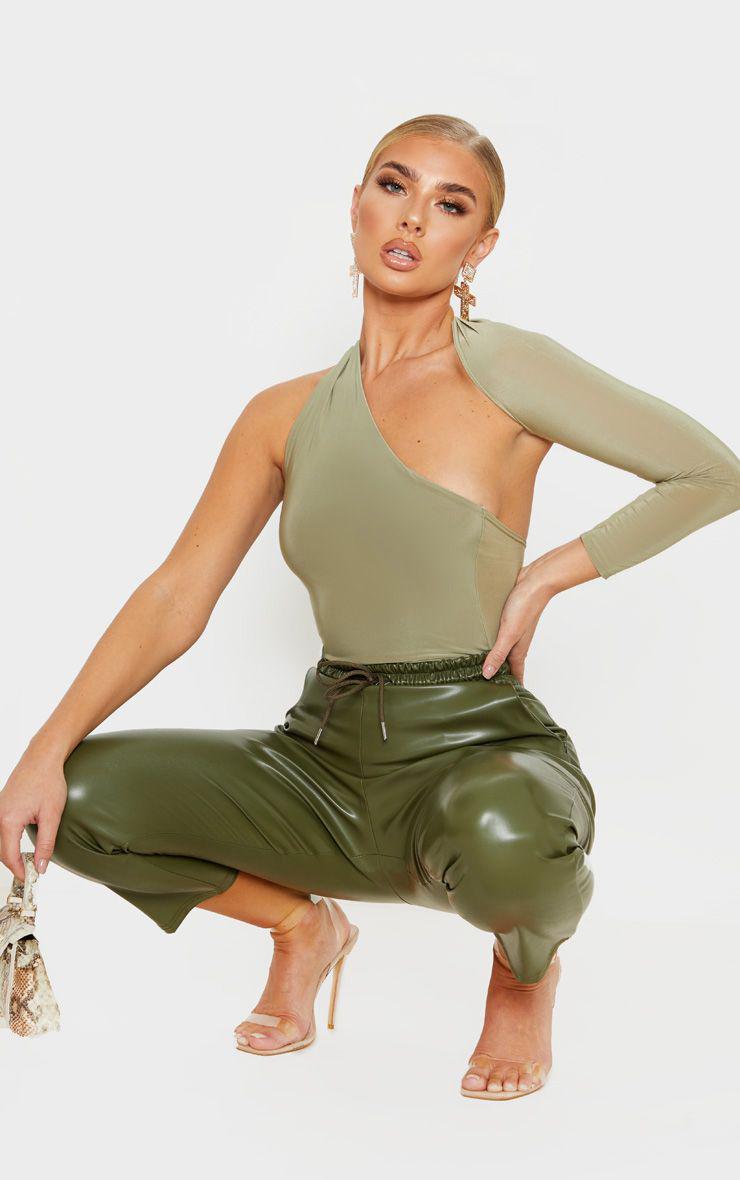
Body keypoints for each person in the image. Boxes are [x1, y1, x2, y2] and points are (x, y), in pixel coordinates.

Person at [2, 114, 739, 1101]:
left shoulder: (508, 369)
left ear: (479, 246)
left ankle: (522, 971)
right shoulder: (282, 414)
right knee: (80, 801)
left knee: (509, 840)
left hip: (474, 742)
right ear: (355, 205)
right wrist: (44, 748)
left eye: (450, 204)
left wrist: (549, 574)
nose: (413, 217)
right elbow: (176, 595)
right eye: (394, 186)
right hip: (323, 755)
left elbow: (709, 472)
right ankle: (302, 928)